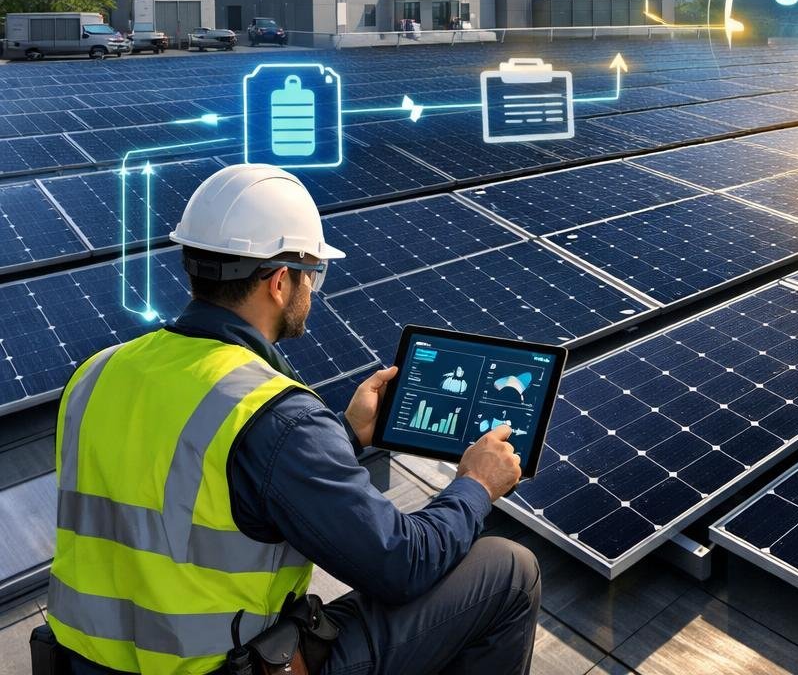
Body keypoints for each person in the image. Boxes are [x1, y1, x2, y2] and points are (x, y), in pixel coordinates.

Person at [47, 163, 539, 675]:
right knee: (508, 571)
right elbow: (402, 565)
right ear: (280, 281)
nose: (312, 290)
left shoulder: (97, 372)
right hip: (218, 668)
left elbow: (200, 480)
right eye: (313, 274)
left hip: (88, 662)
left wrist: (344, 434)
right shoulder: (271, 415)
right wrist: (475, 484)